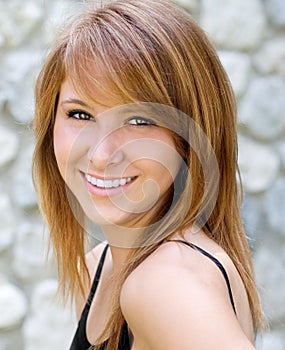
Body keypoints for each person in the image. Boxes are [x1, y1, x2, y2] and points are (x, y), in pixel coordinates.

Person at [32, 0, 264, 349]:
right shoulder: (101, 267)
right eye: (80, 114)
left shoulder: (164, 283)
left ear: (188, 139)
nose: (100, 155)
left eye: (139, 120)